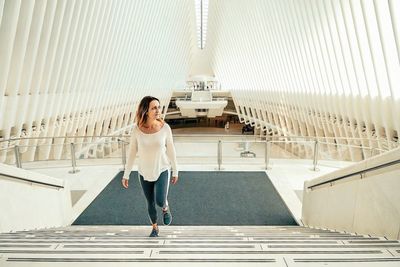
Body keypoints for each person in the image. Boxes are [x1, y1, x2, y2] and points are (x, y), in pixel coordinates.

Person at [122, 96, 179, 237]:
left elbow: (171, 149)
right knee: (150, 203)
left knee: (160, 201)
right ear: (145, 110)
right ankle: (155, 227)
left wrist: (175, 170)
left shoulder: (165, 128)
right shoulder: (137, 130)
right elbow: (131, 153)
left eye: (158, 107)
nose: (158, 110)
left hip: (162, 169)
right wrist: (126, 174)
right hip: (143, 172)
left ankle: (165, 207)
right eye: (154, 107)